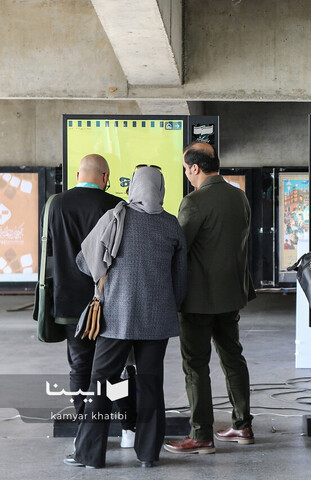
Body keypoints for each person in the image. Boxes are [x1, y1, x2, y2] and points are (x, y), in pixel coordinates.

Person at [65, 167, 187, 468]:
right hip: (157, 320)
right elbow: (181, 279)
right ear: (160, 188)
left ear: (133, 187)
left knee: (102, 383)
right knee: (150, 383)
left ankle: (89, 455)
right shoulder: (172, 226)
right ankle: (148, 454)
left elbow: (84, 261)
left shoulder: (115, 217)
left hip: (115, 317)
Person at [164, 142, 256, 455]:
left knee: (195, 365)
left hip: (198, 301)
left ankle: (201, 434)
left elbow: (180, 250)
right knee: (233, 358)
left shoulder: (194, 202)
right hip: (232, 294)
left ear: (194, 168)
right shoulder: (239, 196)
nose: (187, 174)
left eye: (186, 168)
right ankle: (243, 425)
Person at [46, 154, 137, 447]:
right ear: (105, 176)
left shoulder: (55, 204)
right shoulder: (113, 205)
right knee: (116, 367)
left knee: (79, 367)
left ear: (77, 175)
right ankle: (127, 429)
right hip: (108, 301)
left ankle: (86, 433)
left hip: (69, 302)